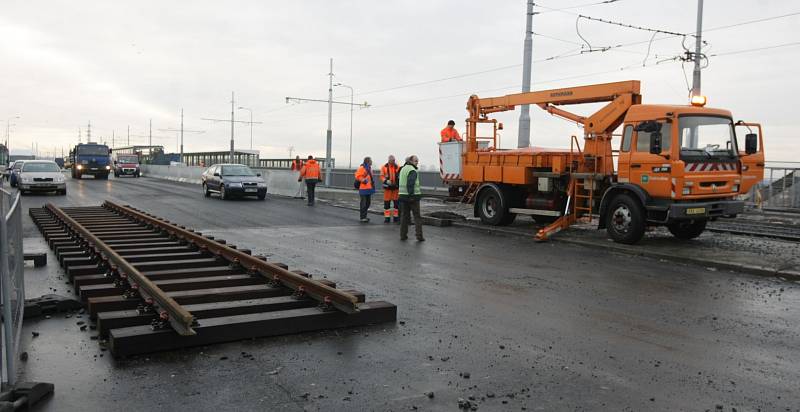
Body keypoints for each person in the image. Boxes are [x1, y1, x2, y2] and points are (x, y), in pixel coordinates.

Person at [399, 155, 424, 241]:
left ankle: (403, 235)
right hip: (412, 197)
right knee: (417, 217)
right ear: (411, 161)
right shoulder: (412, 170)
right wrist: (411, 195)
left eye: (417, 161)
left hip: (402, 196)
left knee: (404, 216)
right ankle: (419, 236)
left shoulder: (403, 169)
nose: (417, 162)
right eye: (416, 161)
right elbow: (410, 183)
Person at [380, 155, 400, 224]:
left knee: (396, 204)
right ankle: (387, 218)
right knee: (387, 204)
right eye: (392, 160)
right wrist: (386, 181)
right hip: (387, 189)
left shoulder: (398, 167)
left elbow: (400, 175)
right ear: (389, 160)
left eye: (394, 160)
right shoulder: (384, 167)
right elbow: (382, 176)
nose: (393, 162)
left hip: (395, 188)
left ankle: (396, 217)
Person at [355, 157, 375, 222]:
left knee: (368, 203)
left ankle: (364, 216)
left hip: (368, 188)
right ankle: (362, 217)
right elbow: (357, 176)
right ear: (368, 161)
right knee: (363, 203)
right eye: (371, 160)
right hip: (363, 188)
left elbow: (370, 178)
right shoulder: (362, 168)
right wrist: (363, 180)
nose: (372, 161)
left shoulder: (370, 168)